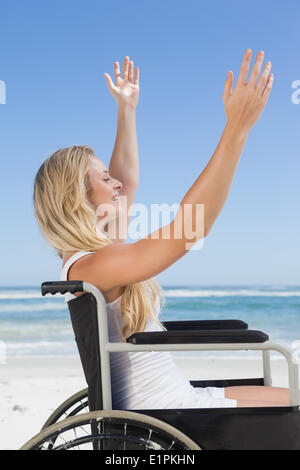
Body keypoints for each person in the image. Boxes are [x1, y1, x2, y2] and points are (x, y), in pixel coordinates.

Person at [33, 50, 294, 409]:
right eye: (105, 179)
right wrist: (236, 129)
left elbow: (127, 179)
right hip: (176, 409)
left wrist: (127, 110)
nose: (117, 185)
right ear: (78, 198)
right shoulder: (93, 268)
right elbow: (189, 227)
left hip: (182, 398)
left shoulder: (89, 260)